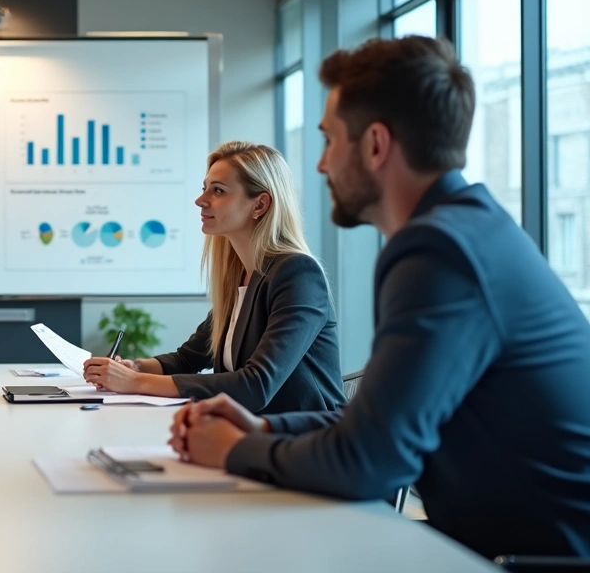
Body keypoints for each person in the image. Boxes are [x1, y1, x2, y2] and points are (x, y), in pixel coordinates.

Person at [170, 36, 590, 559]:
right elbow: (375, 421)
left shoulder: (439, 252)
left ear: (374, 145)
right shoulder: (466, 231)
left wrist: (237, 450)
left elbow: (371, 460)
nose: (321, 165)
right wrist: (262, 426)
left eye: (329, 141)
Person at [82, 142, 344, 415]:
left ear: (260, 204)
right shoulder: (239, 277)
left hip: (305, 440)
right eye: (205, 188)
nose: (201, 199)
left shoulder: (298, 274)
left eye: (218, 190)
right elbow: (187, 359)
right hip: (251, 432)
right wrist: (134, 367)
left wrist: (136, 383)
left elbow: (257, 386)